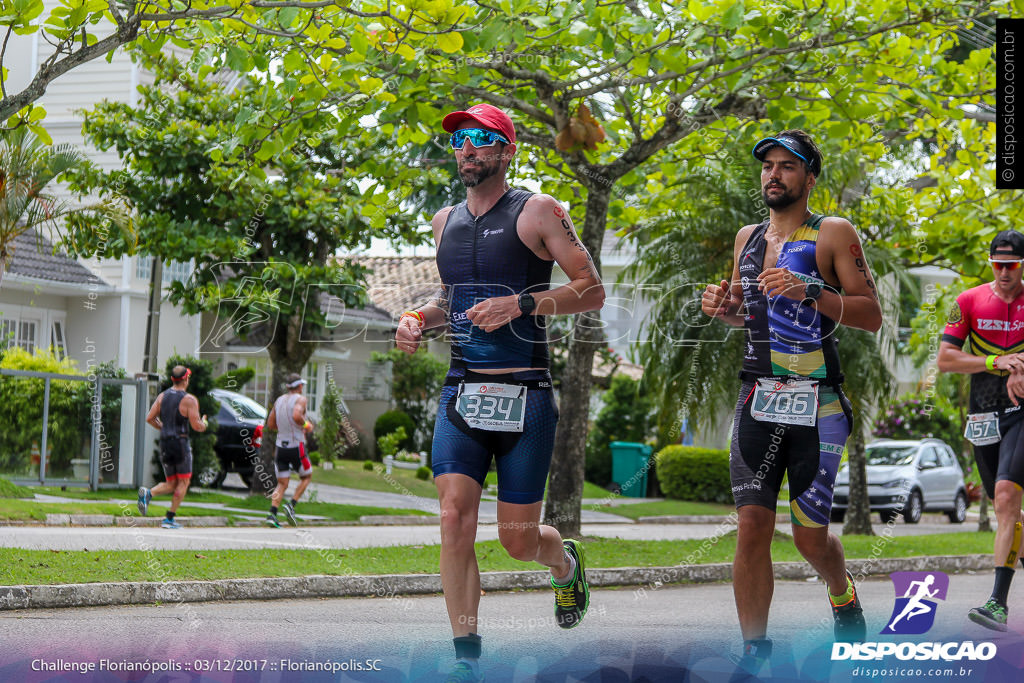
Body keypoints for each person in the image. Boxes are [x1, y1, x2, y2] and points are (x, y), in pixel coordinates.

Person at [394, 103, 605, 683]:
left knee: (516, 542)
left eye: (482, 139)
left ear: (507, 150)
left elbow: (591, 290)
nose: (467, 148)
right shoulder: (444, 222)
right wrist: (417, 318)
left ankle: (562, 563)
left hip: (526, 399)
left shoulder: (538, 211)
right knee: (454, 518)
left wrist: (524, 303)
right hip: (462, 394)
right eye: (460, 139)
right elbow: (450, 302)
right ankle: (467, 657)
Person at [701, 130, 882, 670]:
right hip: (758, 396)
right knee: (752, 525)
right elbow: (745, 311)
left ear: (809, 177)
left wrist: (811, 291)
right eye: (767, 166)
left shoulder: (832, 233)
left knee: (809, 540)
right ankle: (754, 652)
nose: (773, 174)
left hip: (818, 405)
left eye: (787, 166)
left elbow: (870, 314)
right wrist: (721, 307)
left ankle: (841, 588)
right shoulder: (748, 238)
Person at [938, 229, 1024, 631]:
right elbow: (946, 360)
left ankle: (997, 603)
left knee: (1007, 498)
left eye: (1012, 265)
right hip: (984, 415)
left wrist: (1021, 365)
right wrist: (997, 363)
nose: (1004, 272)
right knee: (1005, 506)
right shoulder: (966, 301)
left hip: (1022, 410)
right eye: (997, 264)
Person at [140, 366, 208, 529]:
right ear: (185, 379)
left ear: (172, 379)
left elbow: (150, 418)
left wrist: (164, 428)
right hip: (180, 444)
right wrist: (205, 422)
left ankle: (148, 494)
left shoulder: (163, 396)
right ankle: (169, 518)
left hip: (165, 442)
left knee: (172, 482)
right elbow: (197, 426)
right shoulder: (189, 400)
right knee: (183, 482)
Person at [263, 373, 315, 528]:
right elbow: (297, 414)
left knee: (282, 483)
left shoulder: (279, 400)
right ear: (299, 386)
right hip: (296, 446)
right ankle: (291, 505)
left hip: (281, 447)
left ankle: (272, 514)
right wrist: (306, 426)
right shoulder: (301, 399)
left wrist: (285, 427)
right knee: (307, 476)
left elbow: (270, 423)